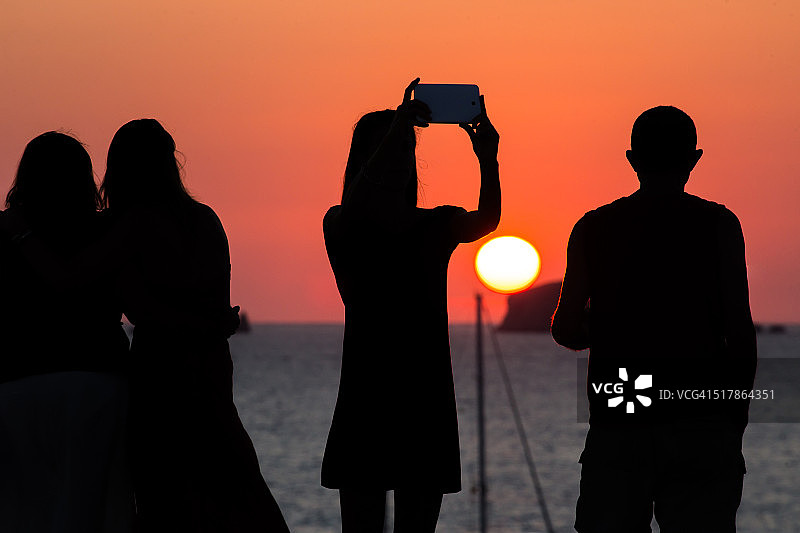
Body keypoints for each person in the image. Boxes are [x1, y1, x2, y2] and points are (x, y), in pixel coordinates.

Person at [551, 106, 757, 533]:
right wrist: (734, 421)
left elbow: (566, 328)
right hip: (702, 420)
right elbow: (740, 332)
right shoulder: (719, 225)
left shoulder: (593, 228)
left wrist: (613, 323)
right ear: (694, 158)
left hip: (620, 417)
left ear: (632, 159)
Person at [322, 78, 501, 533]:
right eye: (392, 149)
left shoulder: (436, 224)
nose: (402, 159)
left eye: (406, 149)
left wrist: (489, 161)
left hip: (424, 396)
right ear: (364, 160)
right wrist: (397, 129)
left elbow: (488, 219)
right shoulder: (343, 224)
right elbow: (360, 200)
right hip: (368, 394)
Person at [99, 119, 290, 532]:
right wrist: (211, 325)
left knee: (165, 501)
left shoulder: (130, 224)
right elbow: (217, 299)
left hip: (161, 376)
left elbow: (138, 308)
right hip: (212, 372)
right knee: (235, 488)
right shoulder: (206, 219)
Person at [0, 132, 132, 532]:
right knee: (93, 510)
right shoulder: (109, 229)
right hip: (98, 384)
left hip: (18, 384)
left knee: (22, 510)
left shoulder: (6, 232)